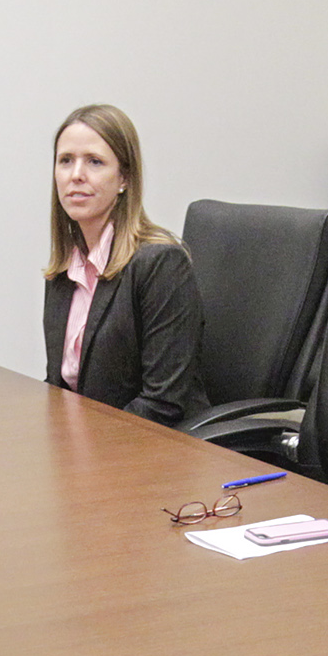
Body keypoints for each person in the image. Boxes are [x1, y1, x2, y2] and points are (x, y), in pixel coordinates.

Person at [43, 104, 208, 424]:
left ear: (124, 178)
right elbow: (60, 388)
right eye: (66, 161)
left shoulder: (160, 265)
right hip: (90, 452)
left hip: (153, 452)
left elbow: (162, 404)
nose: (76, 174)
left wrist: (82, 446)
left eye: (94, 161)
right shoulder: (65, 271)